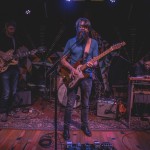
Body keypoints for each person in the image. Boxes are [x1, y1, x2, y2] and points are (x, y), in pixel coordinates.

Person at [61, 18, 99, 140]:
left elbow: (96, 61)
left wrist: (93, 64)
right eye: (81, 26)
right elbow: (62, 59)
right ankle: (66, 128)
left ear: (88, 29)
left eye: (86, 27)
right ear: (77, 27)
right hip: (73, 75)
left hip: (87, 76)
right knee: (69, 104)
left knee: (85, 104)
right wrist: (72, 69)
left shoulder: (93, 43)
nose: (83, 28)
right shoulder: (71, 42)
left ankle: (85, 126)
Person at [0, 20, 24, 122]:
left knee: (14, 91)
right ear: (6, 28)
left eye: (13, 29)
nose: (12, 31)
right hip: (4, 68)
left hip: (14, 68)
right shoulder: (1, 37)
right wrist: (3, 54)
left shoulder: (15, 39)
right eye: (10, 29)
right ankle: (3, 112)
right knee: (6, 92)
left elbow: (17, 52)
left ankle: (10, 109)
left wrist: (21, 53)